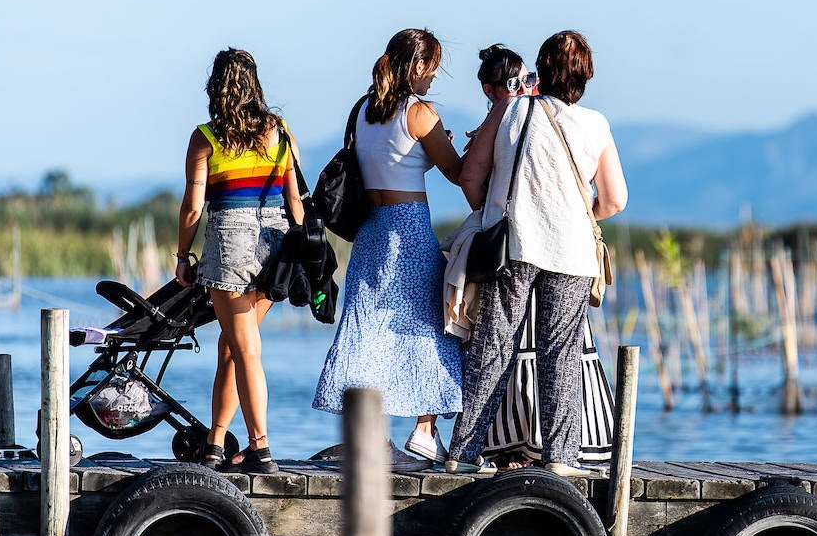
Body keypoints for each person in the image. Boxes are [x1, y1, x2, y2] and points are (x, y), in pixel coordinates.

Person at [448, 31, 627, 476]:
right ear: (585, 76)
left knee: (494, 343)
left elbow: (471, 177)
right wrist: (576, 211)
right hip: (572, 252)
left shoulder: (511, 112)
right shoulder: (596, 124)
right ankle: (561, 459)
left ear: (540, 70)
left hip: (514, 245)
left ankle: (463, 451)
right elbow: (615, 200)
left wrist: (492, 209)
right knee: (560, 352)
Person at [312, 28, 465, 468]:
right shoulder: (419, 113)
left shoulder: (363, 109)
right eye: (432, 68)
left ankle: (374, 438)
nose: (433, 78)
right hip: (408, 227)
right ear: (416, 66)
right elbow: (455, 172)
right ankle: (424, 429)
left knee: (368, 329)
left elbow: (382, 161)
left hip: (370, 230)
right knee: (429, 325)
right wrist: (463, 144)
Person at [175, 48, 301, 475]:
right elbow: (294, 199)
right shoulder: (279, 132)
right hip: (275, 244)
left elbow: (194, 208)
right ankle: (214, 443)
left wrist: (182, 257)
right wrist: (299, 250)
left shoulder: (206, 137)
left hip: (230, 243)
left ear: (215, 87)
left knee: (244, 347)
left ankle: (260, 448)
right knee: (230, 345)